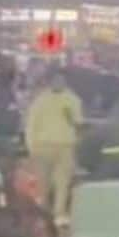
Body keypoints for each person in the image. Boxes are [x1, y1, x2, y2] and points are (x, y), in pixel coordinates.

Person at [25, 67, 83, 226]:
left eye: (61, 80)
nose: (58, 82)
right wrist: (31, 146)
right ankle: (47, 215)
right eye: (56, 80)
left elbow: (78, 124)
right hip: (47, 146)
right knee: (46, 183)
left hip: (62, 146)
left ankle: (56, 214)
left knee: (61, 182)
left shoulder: (71, 100)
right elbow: (31, 124)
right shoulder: (43, 100)